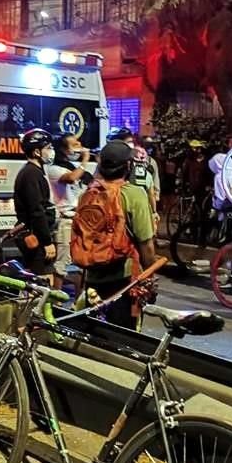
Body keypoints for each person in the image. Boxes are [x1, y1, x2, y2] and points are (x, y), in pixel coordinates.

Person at [75, 139, 158, 330]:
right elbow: (146, 244)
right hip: (124, 281)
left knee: (94, 334)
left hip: (92, 279)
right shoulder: (134, 194)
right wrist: (150, 279)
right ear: (127, 166)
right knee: (123, 337)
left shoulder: (87, 195)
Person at [47, 133, 92, 292]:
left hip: (80, 220)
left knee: (82, 260)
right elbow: (72, 178)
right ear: (63, 149)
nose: (79, 146)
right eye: (74, 145)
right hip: (66, 220)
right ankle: (56, 299)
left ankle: (78, 299)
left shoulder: (73, 167)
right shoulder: (54, 169)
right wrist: (85, 159)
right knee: (62, 262)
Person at [13, 129, 57, 276]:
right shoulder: (31, 174)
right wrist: (47, 242)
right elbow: (36, 210)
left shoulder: (35, 172)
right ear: (37, 152)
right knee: (42, 281)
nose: (52, 151)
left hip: (38, 235)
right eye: (48, 148)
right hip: (36, 237)